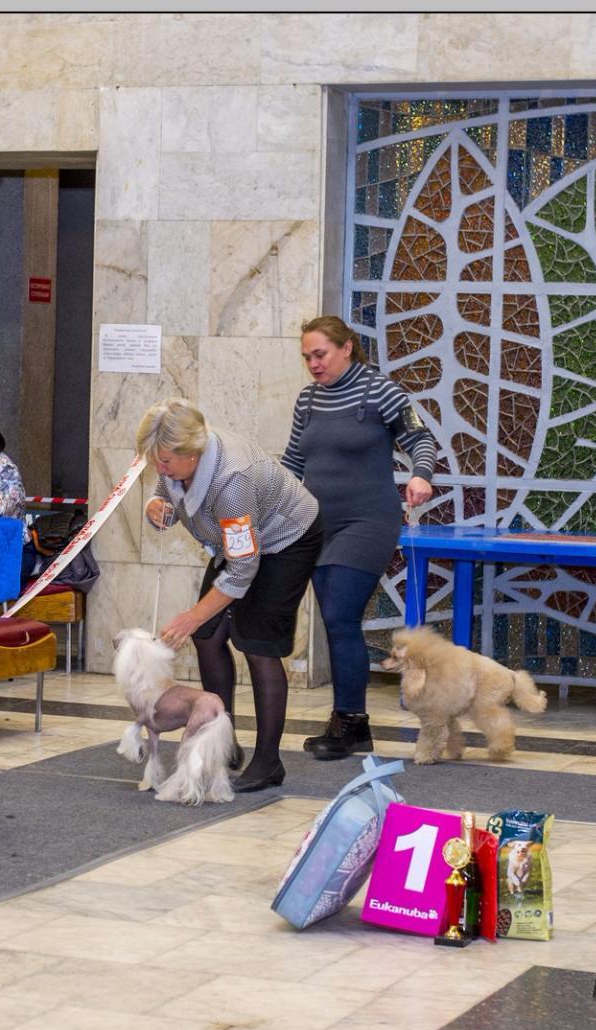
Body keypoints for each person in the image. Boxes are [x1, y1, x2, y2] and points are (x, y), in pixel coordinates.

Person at [138, 398, 323, 793]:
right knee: (208, 636)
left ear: (192, 452)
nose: (160, 468)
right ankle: (221, 741)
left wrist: (192, 615)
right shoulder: (179, 457)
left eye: (165, 461)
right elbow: (166, 487)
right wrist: (157, 503)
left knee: (258, 643)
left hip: (287, 540)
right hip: (240, 544)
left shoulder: (232, 480)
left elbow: (243, 569)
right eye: (156, 460)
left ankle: (268, 761)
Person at [285, 316, 441, 760]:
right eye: (307, 357)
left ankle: (351, 723)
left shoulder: (380, 391)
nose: (314, 364)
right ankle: (350, 724)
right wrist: (265, 501)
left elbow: (420, 437)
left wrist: (421, 474)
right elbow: (294, 461)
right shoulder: (308, 399)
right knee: (337, 621)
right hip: (317, 524)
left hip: (367, 521)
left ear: (347, 347)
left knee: (340, 613)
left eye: (320, 354)